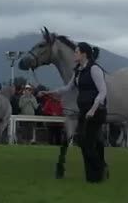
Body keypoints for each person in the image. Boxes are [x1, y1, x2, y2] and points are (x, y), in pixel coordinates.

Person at [39, 42, 108, 183]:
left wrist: (93, 109)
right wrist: (49, 92)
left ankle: (99, 169)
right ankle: (92, 178)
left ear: (84, 54)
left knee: (88, 143)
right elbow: (68, 88)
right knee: (83, 143)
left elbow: (103, 92)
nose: (74, 54)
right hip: (84, 111)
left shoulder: (94, 69)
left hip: (96, 112)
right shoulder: (78, 70)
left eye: (76, 52)